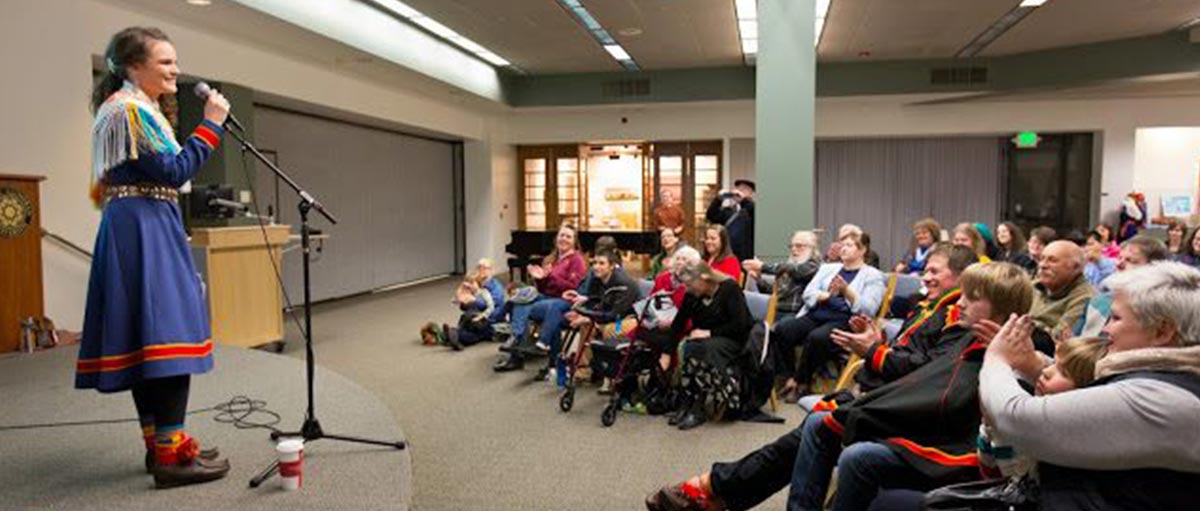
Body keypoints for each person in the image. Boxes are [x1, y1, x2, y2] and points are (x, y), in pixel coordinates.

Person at [646, 262, 1034, 511]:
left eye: (938, 272)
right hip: (898, 399)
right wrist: (878, 346)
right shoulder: (940, 315)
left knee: (821, 422)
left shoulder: (987, 336)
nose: (930, 280)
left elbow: (929, 379)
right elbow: (919, 363)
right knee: (812, 413)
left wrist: (877, 352)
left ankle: (718, 487)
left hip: (926, 423)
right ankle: (720, 487)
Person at [77, 27, 231, 488]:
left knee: (151, 337)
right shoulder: (128, 111)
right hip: (143, 227)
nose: (176, 70)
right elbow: (175, 169)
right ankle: (171, 455)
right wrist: (213, 123)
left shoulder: (130, 109)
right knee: (170, 333)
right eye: (166, 62)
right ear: (133, 67)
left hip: (139, 222)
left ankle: (163, 443)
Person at [979, 262, 1200, 510]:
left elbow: (1015, 420)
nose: (1105, 328)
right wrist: (1032, 364)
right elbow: (1091, 389)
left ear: (1162, 332)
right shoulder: (1169, 380)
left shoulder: (1161, 400)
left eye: (1116, 318)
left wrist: (996, 360)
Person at [818, 244, 978, 409]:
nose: (926, 278)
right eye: (925, 271)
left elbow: (928, 370)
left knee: (816, 424)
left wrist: (872, 351)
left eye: (934, 271)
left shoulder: (958, 318)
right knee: (816, 418)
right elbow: (906, 350)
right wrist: (877, 342)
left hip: (898, 400)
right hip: (879, 389)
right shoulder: (926, 306)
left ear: (962, 278)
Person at [976, 336, 1109, 480]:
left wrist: (999, 432)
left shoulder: (1064, 440)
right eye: (1054, 363)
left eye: (1063, 373)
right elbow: (988, 468)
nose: (1046, 372)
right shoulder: (1035, 410)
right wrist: (989, 427)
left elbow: (1014, 478)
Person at [773, 233, 886, 400]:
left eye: (850, 245)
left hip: (844, 320)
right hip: (816, 314)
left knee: (816, 337)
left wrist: (847, 292)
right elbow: (808, 293)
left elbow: (868, 309)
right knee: (783, 329)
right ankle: (788, 376)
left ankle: (800, 382)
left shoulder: (873, 275)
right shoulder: (828, 268)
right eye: (843, 244)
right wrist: (827, 296)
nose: (844, 248)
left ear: (862, 250)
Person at [667, 261, 753, 430]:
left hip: (733, 339)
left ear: (704, 278)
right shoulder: (693, 294)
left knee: (698, 348)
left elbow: (741, 325)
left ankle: (697, 407)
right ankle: (688, 402)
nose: (688, 289)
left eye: (691, 284)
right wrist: (667, 351)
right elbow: (678, 323)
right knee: (693, 346)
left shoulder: (729, 289)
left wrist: (710, 332)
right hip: (705, 341)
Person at [494, 224, 587, 372]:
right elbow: (544, 289)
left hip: (564, 303)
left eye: (568, 236)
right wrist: (540, 279)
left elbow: (575, 288)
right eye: (561, 235)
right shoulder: (551, 258)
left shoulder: (577, 260)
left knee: (539, 306)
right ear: (556, 238)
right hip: (546, 298)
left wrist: (551, 276)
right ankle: (516, 350)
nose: (564, 239)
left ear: (575, 241)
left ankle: (517, 346)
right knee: (521, 301)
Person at [554, 250, 639, 390]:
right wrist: (584, 307)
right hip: (611, 317)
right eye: (594, 263)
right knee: (587, 326)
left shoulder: (623, 283)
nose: (596, 267)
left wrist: (589, 318)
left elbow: (615, 315)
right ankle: (585, 369)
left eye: (601, 263)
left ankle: (610, 375)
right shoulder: (599, 279)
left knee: (610, 330)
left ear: (611, 266)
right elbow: (599, 302)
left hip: (626, 320)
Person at [1074, 235, 1170, 338]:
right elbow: (1075, 338)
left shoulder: (1160, 308)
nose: (1119, 264)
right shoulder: (1099, 300)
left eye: (1130, 261)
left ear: (1155, 268)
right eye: (1119, 258)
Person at [1027, 240, 1094, 349]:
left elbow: (1057, 340)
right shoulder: (1032, 286)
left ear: (1076, 267)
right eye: (1041, 259)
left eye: (1052, 260)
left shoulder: (1086, 299)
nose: (1042, 265)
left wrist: (1025, 326)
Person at [742, 230, 822, 316]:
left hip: (794, 313)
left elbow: (795, 270)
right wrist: (758, 279)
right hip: (777, 309)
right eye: (791, 246)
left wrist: (763, 267)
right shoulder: (791, 265)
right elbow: (776, 292)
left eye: (799, 246)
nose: (793, 249)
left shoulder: (813, 265)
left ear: (812, 248)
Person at [439, 258, 506, 350]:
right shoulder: (475, 283)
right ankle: (455, 337)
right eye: (479, 267)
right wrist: (463, 302)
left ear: (491, 271)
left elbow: (490, 306)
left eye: (485, 268)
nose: (481, 270)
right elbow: (466, 306)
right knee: (469, 321)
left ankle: (456, 335)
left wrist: (473, 300)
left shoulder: (496, 287)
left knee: (477, 331)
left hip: (492, 317)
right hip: (475, 316)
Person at [706, 179, 756, 261]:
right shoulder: (729, 211)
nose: (740, 192)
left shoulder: (752, 209)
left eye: (744, 189)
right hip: (728, 254)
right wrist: (718, 199)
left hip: (746, 255)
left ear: (751, 193)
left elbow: (752, 211)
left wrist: (743, 200)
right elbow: (711, 216)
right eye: (738, 189)